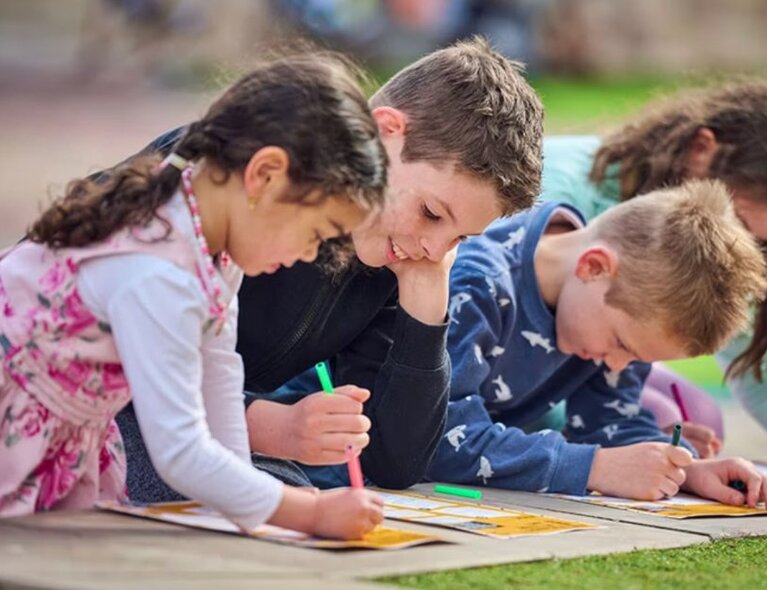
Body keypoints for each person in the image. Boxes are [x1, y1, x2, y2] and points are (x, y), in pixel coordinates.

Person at [113, 37, 546, 499]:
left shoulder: (394, 259)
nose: (434, 248)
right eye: (432, 214)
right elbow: (112, 341)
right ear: (385, 133)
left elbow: (394, 462)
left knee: (287, 496)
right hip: (107, 409)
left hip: (211, 432)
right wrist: (268, 426)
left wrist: (425, 300)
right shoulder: (234, 173)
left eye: (459, 237)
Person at [0, 54, 388, 539]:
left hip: (53, 438)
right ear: (265, 175)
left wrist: (249, 506)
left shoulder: (213, 250)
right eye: (316, 232)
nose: (309, 253)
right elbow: (179, 448)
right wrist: (304, 513)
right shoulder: (158, 270)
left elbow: (220, 372)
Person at [539, 79, 767, 485]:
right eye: (740, 222)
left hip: (583, 377)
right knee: (666, 419)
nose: (737, 242)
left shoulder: (704, 247)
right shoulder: (564, 187)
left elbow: (757, 368)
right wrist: (623, 444)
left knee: (695, 418)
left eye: (759, 242)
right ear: (702, 150)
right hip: (504, 371)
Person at [428, 180, 767, 508]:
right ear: (593, 268)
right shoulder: (478, 283)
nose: (616, 364)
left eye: (634, 357)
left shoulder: (611, 310)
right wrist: (595, 467)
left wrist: (684, 469)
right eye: (621, 344)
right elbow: (438, 438)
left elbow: (610, 420)